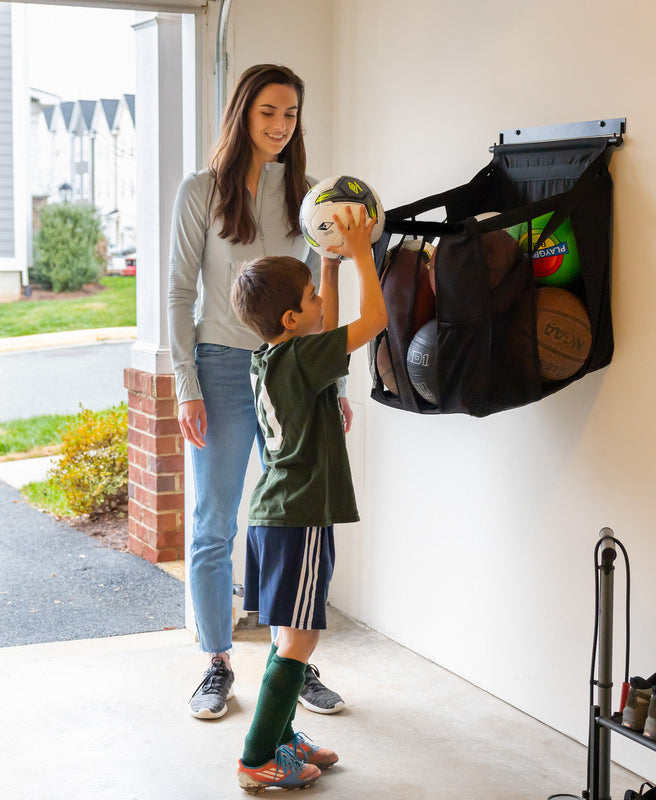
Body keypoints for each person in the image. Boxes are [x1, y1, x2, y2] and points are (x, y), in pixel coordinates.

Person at [168, 64, 349, 720]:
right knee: (214, 522)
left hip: (294, 375)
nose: (279, 125)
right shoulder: (201, 191)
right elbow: (179, 293)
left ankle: (290, 662)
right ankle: (216, 662)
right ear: (244, 112)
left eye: (290, 114)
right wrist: (186, 385)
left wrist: (333, 379)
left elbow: (314, 306)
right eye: (268, 111)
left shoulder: (307, 198)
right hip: (218, 370)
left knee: (289, 527)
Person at [229, 204, 387, 791]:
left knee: (285, 632)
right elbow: (376, 318)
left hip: (275, 515)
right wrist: (362, 252)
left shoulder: (275, 355)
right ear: (292, 317)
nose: (320, 306)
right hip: (298, 515)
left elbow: (324, 329)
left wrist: (327, 263)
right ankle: (256, 757)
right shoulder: (302, 355)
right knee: (301, 637)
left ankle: (283, 737)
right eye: (312, 300)